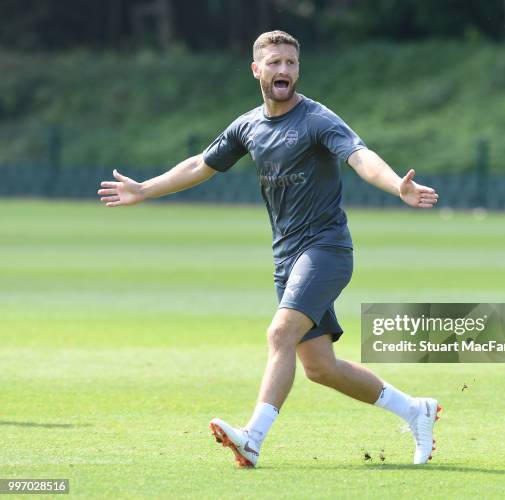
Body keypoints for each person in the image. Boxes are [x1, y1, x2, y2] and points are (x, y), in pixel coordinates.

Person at [98, 30, 441, 468]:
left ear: (298, 70)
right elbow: (201, 164)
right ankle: (417, 410)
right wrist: (145, 189)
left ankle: (253, 439)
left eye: (291, 63)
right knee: (320, 367)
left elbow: (360, 156)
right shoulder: (248, 126)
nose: (284, 71)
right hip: (287, 259)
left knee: (279, 334)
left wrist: (397, 185)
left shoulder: (318, 120)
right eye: (275, 63)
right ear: (257, 70)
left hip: (326, 249)